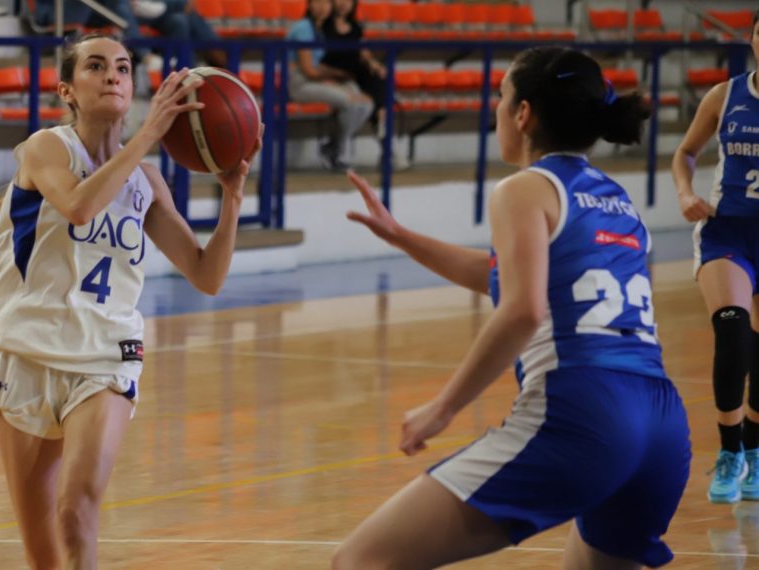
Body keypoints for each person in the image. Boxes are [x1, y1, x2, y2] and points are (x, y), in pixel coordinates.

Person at [333, 46, 690, 569]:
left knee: (361, 560)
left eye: (501, 97)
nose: (495, 109)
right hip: (661, 426)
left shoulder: (523, 189)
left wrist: (443, 408)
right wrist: (403, 237)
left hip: (582, 409)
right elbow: (507, 276)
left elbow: (523, 308)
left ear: (523, 113)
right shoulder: (614, 197)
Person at [0, 34, 259, 569]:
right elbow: (79, 206)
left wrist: (232, 198)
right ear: (67, 90)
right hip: (24, 349)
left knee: (75, 511)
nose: (112, 75)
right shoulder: (45, 148)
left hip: (107, 353)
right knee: (43, 554)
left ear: (131, 88)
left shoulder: (146, 182)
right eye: (96, 66)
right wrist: (150, 133)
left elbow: (207, 275)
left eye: (123, 68)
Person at [671, 9, 759, 505]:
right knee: (733, 333)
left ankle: (755, 448)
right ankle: (730, 452)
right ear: (752, 38)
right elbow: (685, 153)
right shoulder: (725, 96)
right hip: (728, 232)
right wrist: (685, 193)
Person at [319, 0, 408, 170]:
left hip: (356, 73)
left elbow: (363, 52)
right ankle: (384, 144)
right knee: (373, 101)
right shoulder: (323, 27)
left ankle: (381, 120)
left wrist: (373, 63)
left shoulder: (355, 27)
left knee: (379, 79)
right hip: (337, 74)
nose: (343, 4)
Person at [285, 0, 370, 171]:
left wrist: (338, 77)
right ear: (309, 5)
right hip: (300, 83)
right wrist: (335, 80)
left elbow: (319, 66)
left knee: (366, 103)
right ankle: (338, 150)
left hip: (316, 80)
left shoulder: (320, 29)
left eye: (327, 2)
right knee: (350, 100)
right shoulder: (303, 28)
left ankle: (334, 146)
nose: (323, 7)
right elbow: (309, 70)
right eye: (318, 2)